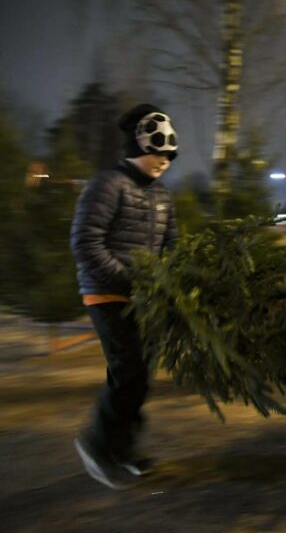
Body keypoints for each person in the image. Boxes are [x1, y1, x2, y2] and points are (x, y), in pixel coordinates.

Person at [70, 103, 179, 489]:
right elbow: (85, 242)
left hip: (142, 299)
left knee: (140, 374)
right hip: (105, 293)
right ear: (137, 145)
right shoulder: (107, 184)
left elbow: (172, 247)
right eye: (157, 151)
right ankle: (96, 446)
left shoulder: (164, 197)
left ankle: (123, 450)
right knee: (128, 368)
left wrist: (174, 282)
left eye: (169, 155)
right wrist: (129, 280)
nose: (163, 160)